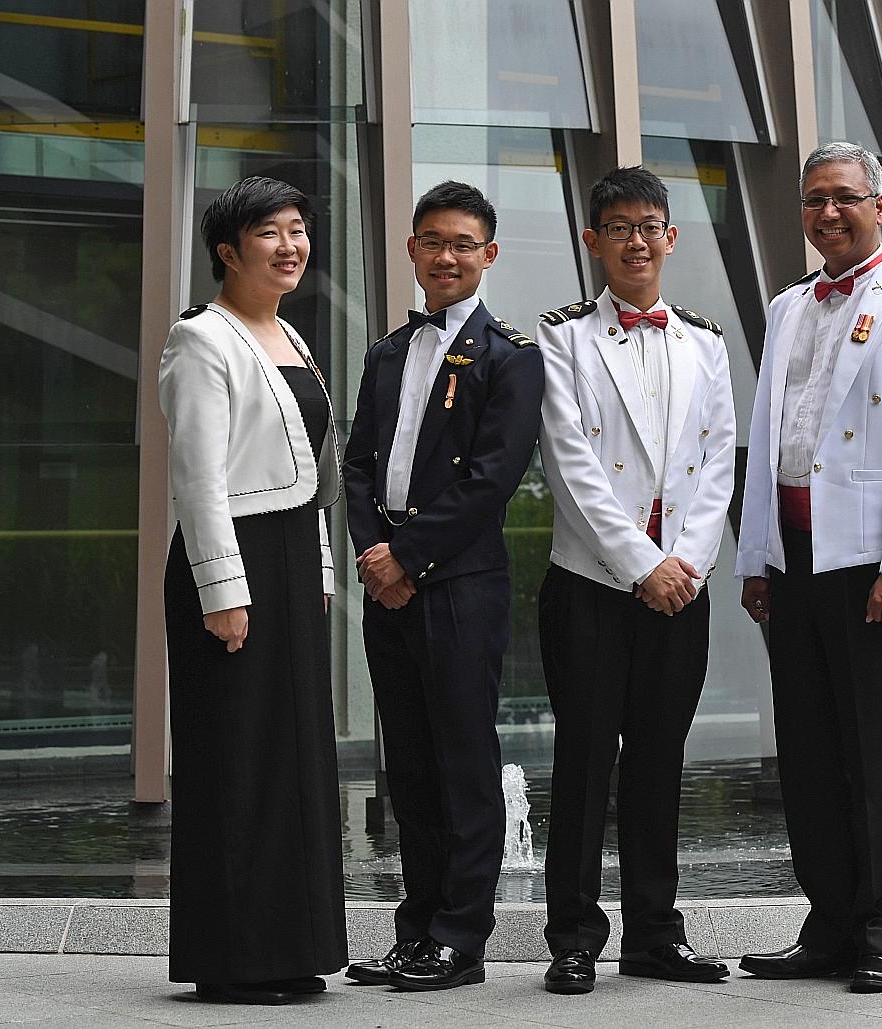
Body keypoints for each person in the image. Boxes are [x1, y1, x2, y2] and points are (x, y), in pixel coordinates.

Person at [734, 142, 882, 993]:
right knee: (807, 747)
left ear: (879, 206)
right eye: (813, 201)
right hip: (796, 559)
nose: (827, 214)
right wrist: (756, 556)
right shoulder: (787, 305)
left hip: (876, 561)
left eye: (843, 198)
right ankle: (830, 920)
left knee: (878, 751)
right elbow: (767, 444)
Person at [533, 166, 737, 994]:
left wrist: (685, 562)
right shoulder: (562, 339)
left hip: (681, 585)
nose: (636, 241)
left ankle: (655, 932)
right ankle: (574, 935)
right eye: (618, 226)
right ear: (593, 241)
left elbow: (720, 461)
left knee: (661, 759)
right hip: (592, 582)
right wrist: (643, 563)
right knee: (584, 760)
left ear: (671, 236)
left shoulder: (706, 341)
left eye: (650, 225)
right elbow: (572, 469)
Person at [341, 181, 544, 992]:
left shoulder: (512, 356)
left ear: (488, 255)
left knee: (462, 764)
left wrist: (406, 558)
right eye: (432, 241)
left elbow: (492, 482)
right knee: (412, 770)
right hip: (387, 583)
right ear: (413, 250)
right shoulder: (387, 350)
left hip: (458, 586)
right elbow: (357, 463)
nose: (447, 256)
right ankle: (415, 930)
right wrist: (372, 553)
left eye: (463, 243)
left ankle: (461, 937)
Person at [159, 176, 347, 1005]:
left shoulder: (292, 338)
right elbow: (198, 479)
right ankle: (234, 959)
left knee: (296, 759)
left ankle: (292, 947)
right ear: (228, 251)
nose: (290, 245)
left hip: (290, 562)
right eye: (268, 232)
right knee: (237, 761)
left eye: (298, 229)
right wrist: (222, 591)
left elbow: (306, 475)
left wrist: (322, 573)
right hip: (229, 563)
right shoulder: (201, 339)